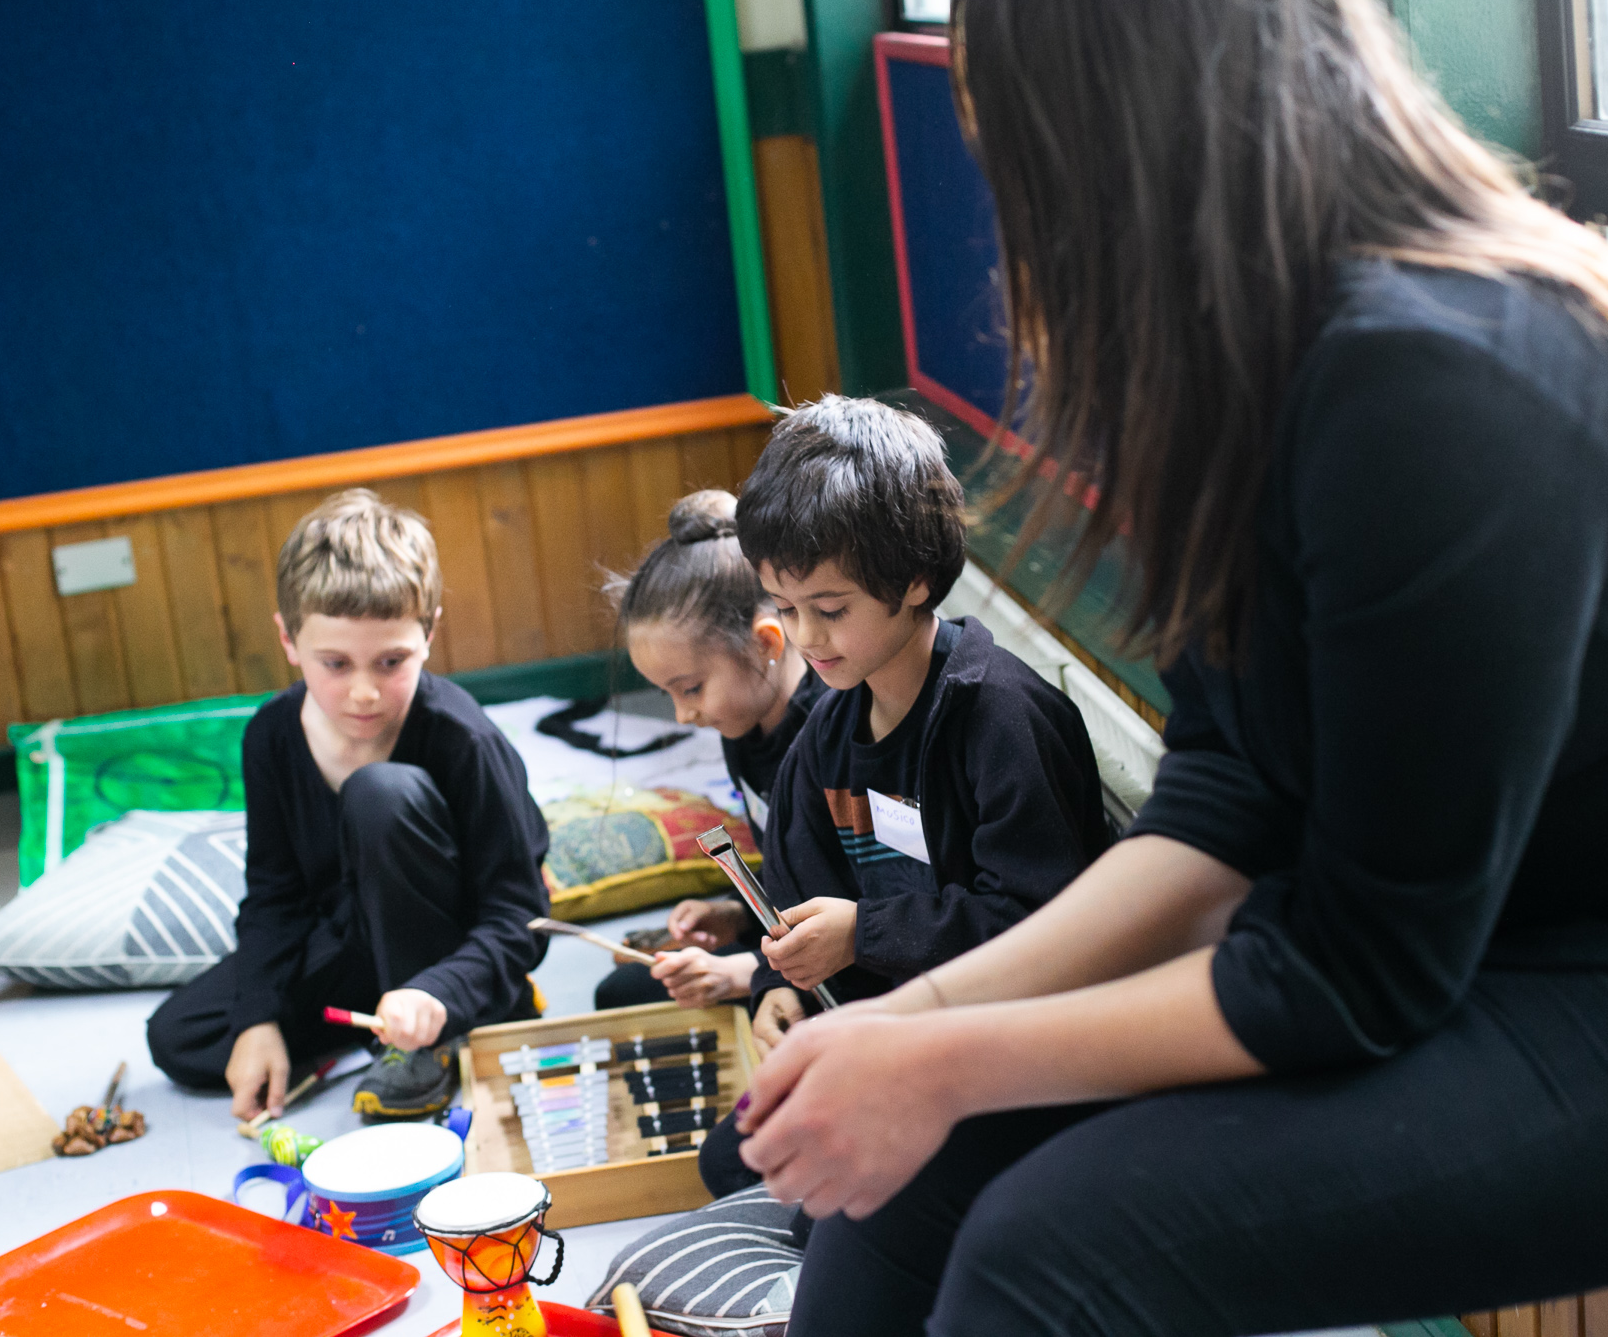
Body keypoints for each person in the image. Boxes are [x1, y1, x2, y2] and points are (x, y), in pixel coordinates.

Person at [729, 0, 1608, 1335]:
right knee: (921, 1176)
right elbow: (1223, 796)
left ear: (1105, 136)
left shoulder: (1439, 371)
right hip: (1466, 935)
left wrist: (944, 1059)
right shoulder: (1252, 367)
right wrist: (908, 1021)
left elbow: (1350, 969)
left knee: (1049, 1252)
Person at [700, 395, 1112, 1193]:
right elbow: (796, 897)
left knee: (827, 1202)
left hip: (1007, 1057)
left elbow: (1043, 925)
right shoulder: (825, 733)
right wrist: (779, 988)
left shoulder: (1002, 718)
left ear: (916, 579)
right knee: (735, 1159)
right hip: (886, 1034)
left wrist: (865, 932)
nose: (807, 638)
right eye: (786, 609)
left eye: (830, 609)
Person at [147, 489, 550, 1122]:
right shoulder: (271, 735)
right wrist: (258, 1019)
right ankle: (380, 1023)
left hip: (446, 950)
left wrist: (438, 991)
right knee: (181, 1037)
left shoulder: (465, 739)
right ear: (288, 640)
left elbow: (518, 916)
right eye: (335, 663)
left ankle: (433, 1034)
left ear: (429, 633)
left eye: (391, 662)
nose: (364, 692)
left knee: (379, 792)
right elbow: (275, 896)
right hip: (347, 942)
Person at [594, 490, 827, 1013]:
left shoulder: (830, 737)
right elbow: (794, 874)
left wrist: (743, 973)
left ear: (766, 644)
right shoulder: (742, 728)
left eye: (692, 688)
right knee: (620, 992)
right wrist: (738, 915)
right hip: (789, 948)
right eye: (668, 694)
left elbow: (858, 909)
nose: (682, 715)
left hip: (846, 971)